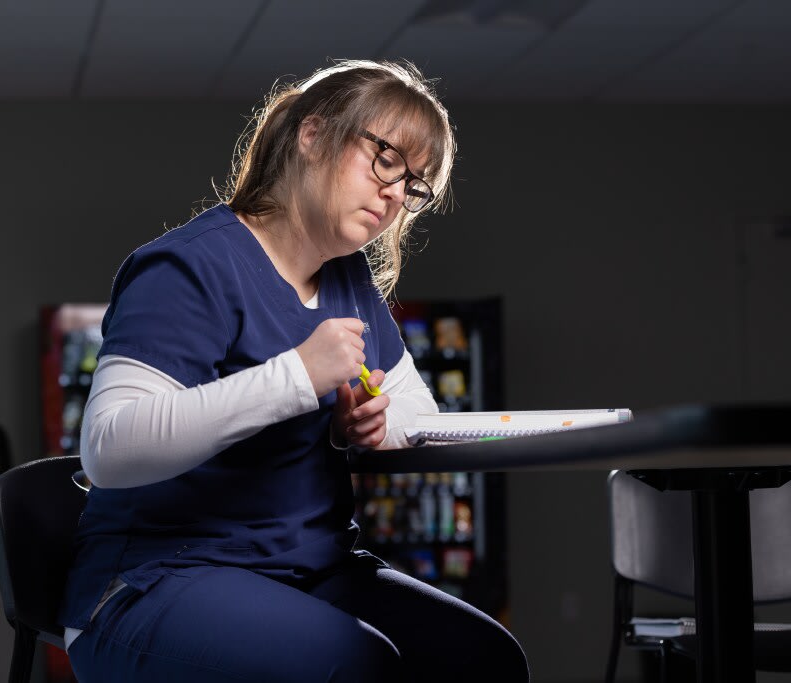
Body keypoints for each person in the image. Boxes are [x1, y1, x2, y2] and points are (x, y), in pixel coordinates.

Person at [58, 59, 530, 682]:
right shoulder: (188, 268)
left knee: (486, 661)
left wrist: (360, 424)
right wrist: (296, 377)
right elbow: (109, 448)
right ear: (312, 136)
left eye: (413, 184)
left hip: (314, 571)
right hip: (154, 581)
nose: (395, 193)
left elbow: (417, 412)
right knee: (360, 666)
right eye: (386, 159)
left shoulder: (348, 279)